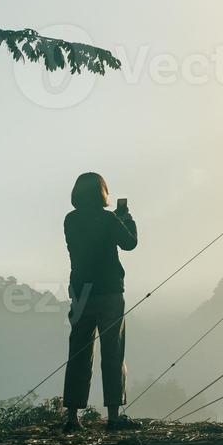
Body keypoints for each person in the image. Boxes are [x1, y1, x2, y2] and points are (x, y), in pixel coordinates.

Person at [61, 171, 140, 431]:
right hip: (109, 292)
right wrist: (127, 220)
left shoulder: (70, 220)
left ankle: (72, 417)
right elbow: (129, 244)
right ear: (102, 193)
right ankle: (114, 416)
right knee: (113, 352)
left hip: (82, 291)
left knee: (79, 353)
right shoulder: (109, 220)